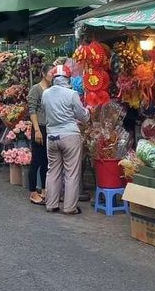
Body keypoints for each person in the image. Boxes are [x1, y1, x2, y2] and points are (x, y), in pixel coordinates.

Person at [42, 64, 89, 215]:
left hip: (52, 136)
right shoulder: (72, 94)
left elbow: (45, 111)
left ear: (54, 78)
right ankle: (69, 207)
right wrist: (88, 112)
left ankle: (51, 204)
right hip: (70, 135)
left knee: (53, 171)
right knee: (71, 172)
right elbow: (82, 115)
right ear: (68, 78)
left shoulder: (46, 94)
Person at [27, 64, 53, 205]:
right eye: (51, 72)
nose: (53, 75)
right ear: (44, 73)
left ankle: (44, 190)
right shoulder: (36, 89)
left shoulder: (52, 90)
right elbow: (32, 110)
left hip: (49, 128)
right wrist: (37, 130)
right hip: (39, 128)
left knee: (46, 162)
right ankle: (32, 192)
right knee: (36, 161)